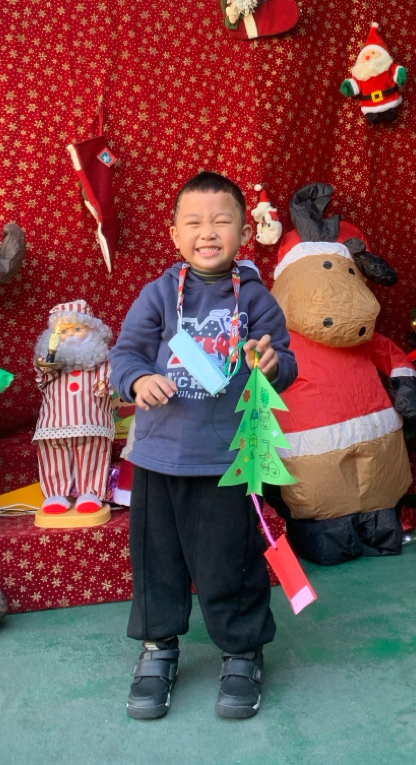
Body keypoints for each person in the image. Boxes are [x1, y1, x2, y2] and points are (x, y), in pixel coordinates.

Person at [110, 171, 297, 722]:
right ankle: (158, 647)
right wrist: (138, 380)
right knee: (156, 562)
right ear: (174, 234)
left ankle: (241, 651)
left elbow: (286, 362)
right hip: (158, 456)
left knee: (229, 563)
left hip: (227, 460)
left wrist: (271, 364)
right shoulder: (158, 294)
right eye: (193, 222)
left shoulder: (257, 299)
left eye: (221, 221)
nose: (208, 232)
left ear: (245, 232)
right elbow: (126, 355)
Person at [33, 300, 114, 514]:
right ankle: (56, 494)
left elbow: (109, 377)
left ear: (93, 332)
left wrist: (104, 383)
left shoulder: (103, 361)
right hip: (54, 422)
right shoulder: (51, 362)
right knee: (54, 454)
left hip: (92, 421)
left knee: (92, 453)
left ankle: (90, 493)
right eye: (63, 331)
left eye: (78, 329)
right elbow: (43, 376)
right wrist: (48, 362)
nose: (70, 335)